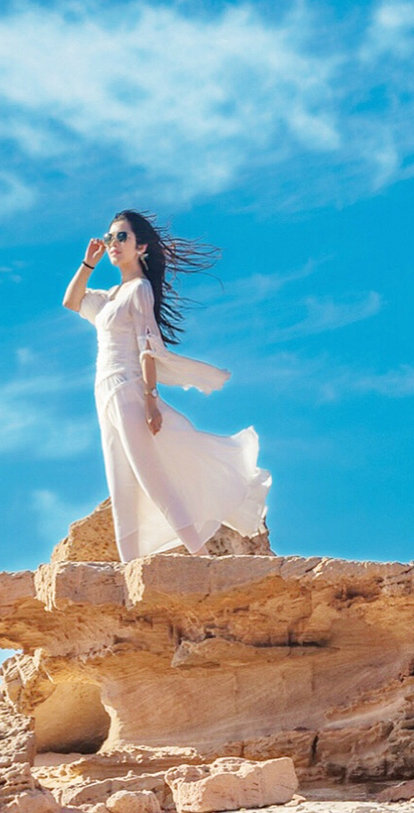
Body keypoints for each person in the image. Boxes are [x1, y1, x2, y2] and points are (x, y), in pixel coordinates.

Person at [63, 208, 270, 562]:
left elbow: (148, 346)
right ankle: (130, 567)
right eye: (110, 237)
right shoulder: (111, 295)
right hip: (104, 391)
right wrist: (88, 262)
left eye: (122, 237)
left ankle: (201, 556)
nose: (113, 243)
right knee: (120, 480)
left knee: (149, 477)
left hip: (128, 387)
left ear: (141, 246)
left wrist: (150, 400)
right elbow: (71, 301)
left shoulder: (139, 290)